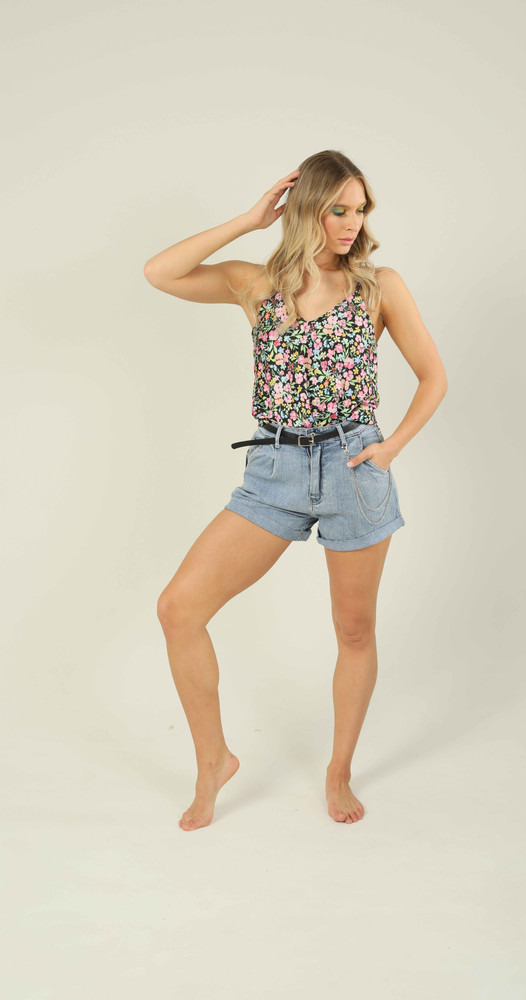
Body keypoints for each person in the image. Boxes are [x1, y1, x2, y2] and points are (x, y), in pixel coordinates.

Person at [144, 149, 448, 831]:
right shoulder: (256, 284)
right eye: (338, 208)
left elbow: (434, 376)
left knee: (354, 629)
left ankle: (338, 770)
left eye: (360, 209)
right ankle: (213, 761)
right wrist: (249, 220)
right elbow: (159, 272)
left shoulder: (378, 286)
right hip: (275, 470)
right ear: (305, 207)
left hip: (352, 468)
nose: (352, 222)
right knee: (179, 609)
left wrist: (390, 447)